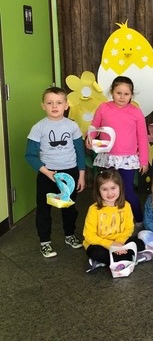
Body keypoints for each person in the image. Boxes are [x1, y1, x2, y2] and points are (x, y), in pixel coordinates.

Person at [26, 87, 86, 258]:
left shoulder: (72, 126)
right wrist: (47, 172)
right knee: (44, 210)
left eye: (59, 102)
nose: (54, 106)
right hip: (47, 175)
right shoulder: (38, 128)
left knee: (69, 207)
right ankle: (45, 243)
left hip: (70, 174)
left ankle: (69, 235)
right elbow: (30, 155)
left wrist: (81, 175)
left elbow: (80, 152)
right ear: (43, 105)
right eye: (49, 103)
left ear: (66, 105)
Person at [87, 76, 149, 223]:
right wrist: (90, 139)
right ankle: (108, 221)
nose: (122, 97)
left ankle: (139, 221)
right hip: (107, 157)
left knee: (127, 191)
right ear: (112, 92)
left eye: (126, 94)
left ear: (131, 95)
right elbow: (94, 126)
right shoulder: (103, 108)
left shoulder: (136, 112)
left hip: (128, 159)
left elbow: (142, 137)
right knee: (106, 191)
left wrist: (144, 160)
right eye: (118, 93)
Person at [83, 169, 153, 272]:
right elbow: (89, 235)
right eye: (104, 189)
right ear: (98, 191)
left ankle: (108, 261)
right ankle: (129, 258)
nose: (109, 193)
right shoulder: (94, 209)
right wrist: (111, 245)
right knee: (95, 252)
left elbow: (129, 228)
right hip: (102, 245)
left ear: (120, 187)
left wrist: (119, 243)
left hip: (121, 242)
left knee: (140, 243)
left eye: (113, 188)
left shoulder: (126, 206)